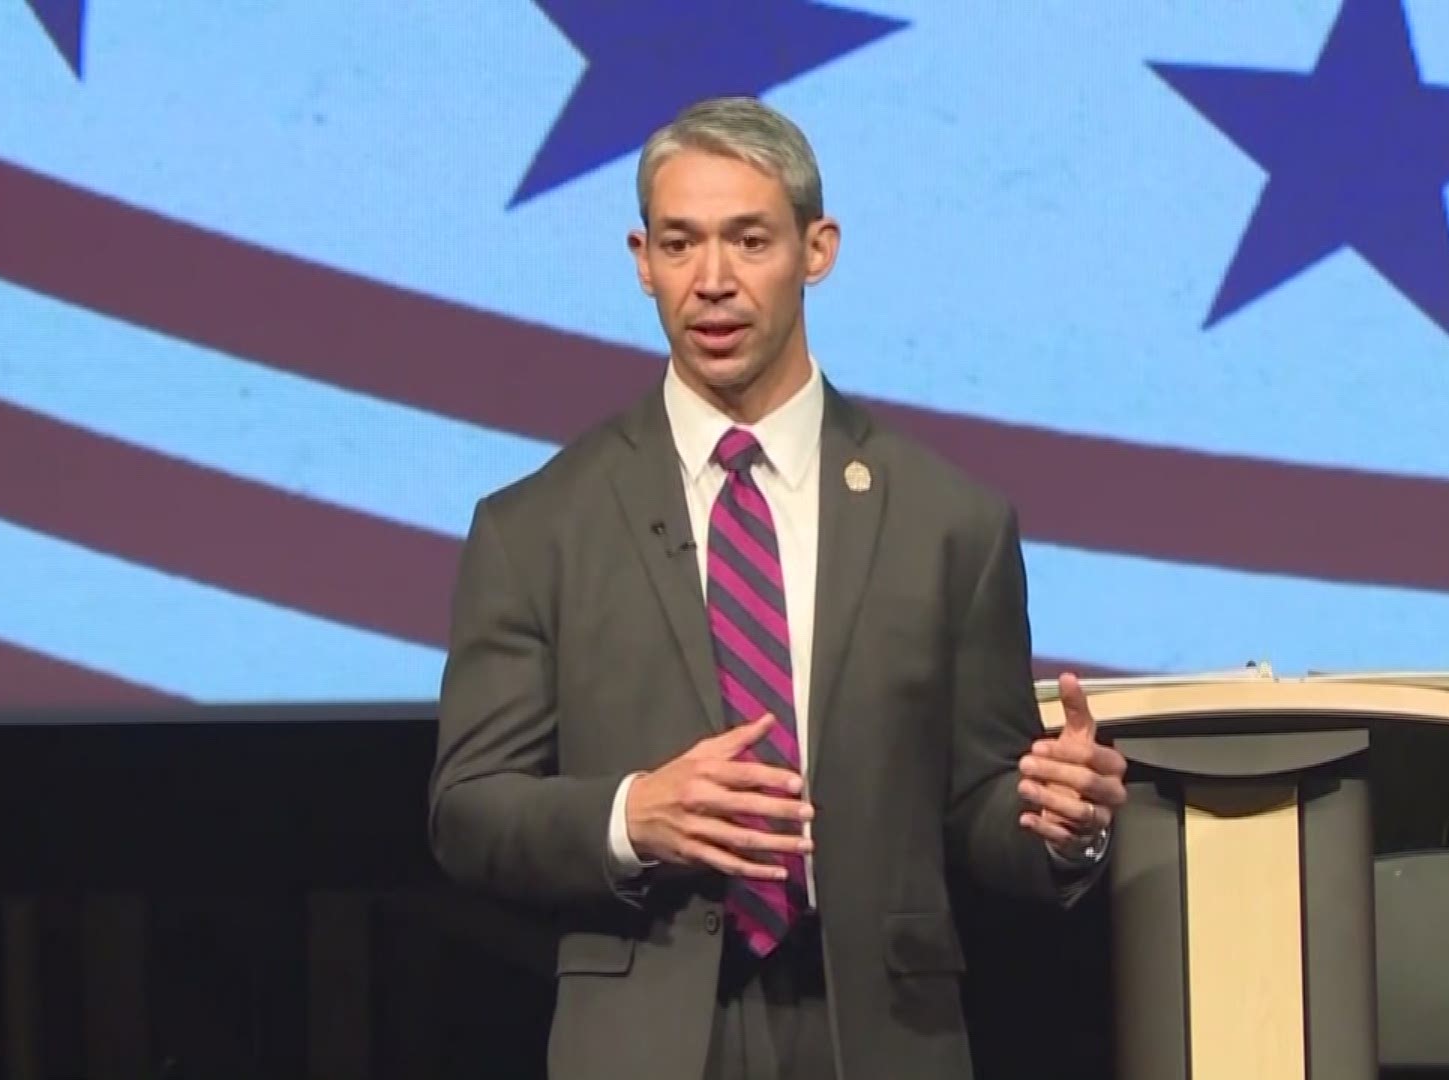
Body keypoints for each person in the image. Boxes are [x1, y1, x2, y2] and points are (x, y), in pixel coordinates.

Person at [428, 95, 1129, 1080]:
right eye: (680, 244)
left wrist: (1061, 826)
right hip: (646, 1034)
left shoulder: (948, 522)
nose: (711, 281)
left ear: (818, 248)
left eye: (749, 240)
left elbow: (975, 811)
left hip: (881, 1035)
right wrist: (635, 815)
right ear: (642, 260)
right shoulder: (537, 527)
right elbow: (469, 811)